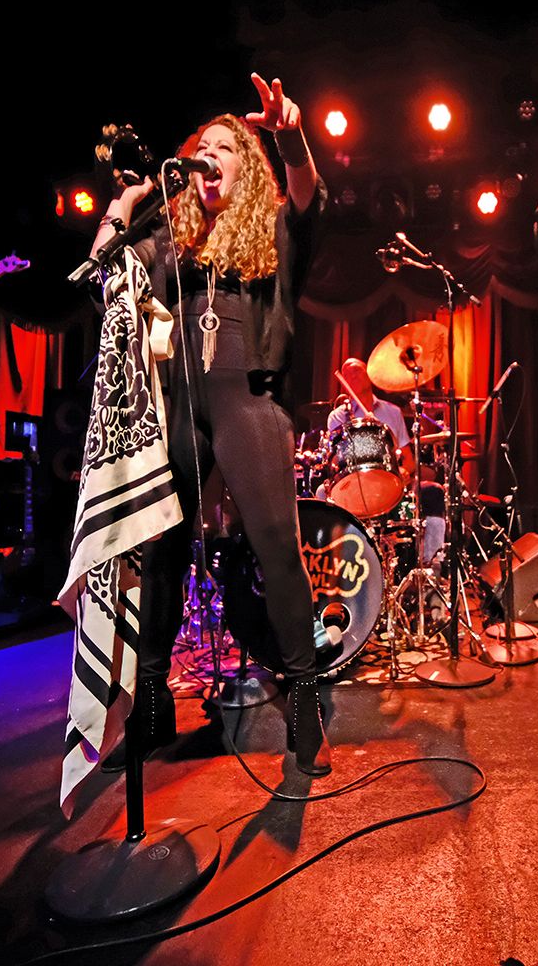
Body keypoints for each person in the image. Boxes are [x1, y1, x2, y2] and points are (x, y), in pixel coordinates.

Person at [91, 74, 331, 775]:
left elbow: (308, 193)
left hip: (247, 401)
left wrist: (290, 134)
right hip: (178, 407)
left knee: (276, 546)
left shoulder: (275, 232)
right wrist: (125, 201)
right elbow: (105, 275)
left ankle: (304, 703)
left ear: (246, 167)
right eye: (203, 148)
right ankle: (151, 704)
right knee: (161, 552)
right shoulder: (170, 240)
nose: (210, 157)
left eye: (225, 147)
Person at [325, 357, 446, 563]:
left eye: (356, 371)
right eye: (346, 374)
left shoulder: (392, 412)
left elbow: (408, 460)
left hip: (391, 485)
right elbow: (338, 460)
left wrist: (405, 472)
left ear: (369, 375)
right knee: (323, 494)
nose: (352, 376)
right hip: (356, 485)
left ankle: (431, 564)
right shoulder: (338, 416)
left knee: (434, 492)